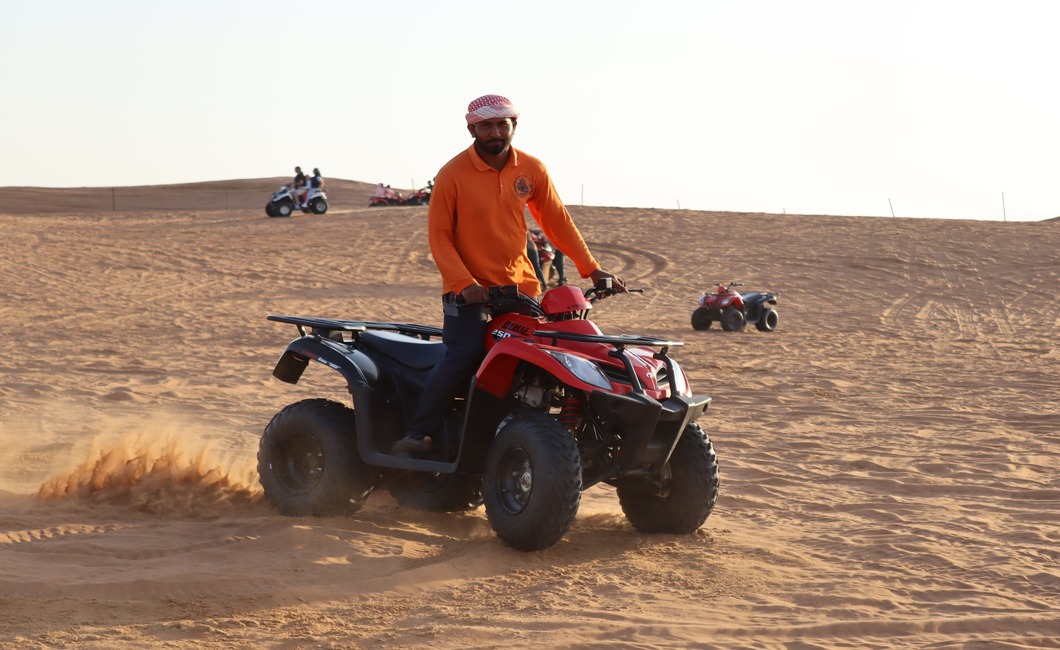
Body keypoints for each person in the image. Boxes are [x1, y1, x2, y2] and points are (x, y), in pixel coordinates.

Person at [392, 94, 626, 454]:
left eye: (503, 124)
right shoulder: (452, 174)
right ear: (472, 128)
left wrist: (591, 269)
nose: (496, 132)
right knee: (464, 354)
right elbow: (439, 237)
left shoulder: (530, 168)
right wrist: (464, 283)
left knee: (550, 356)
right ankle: (418, 433)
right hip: (469, 293)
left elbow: (557, 222)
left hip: (522, 290)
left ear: (515, 125)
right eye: (487, 126)